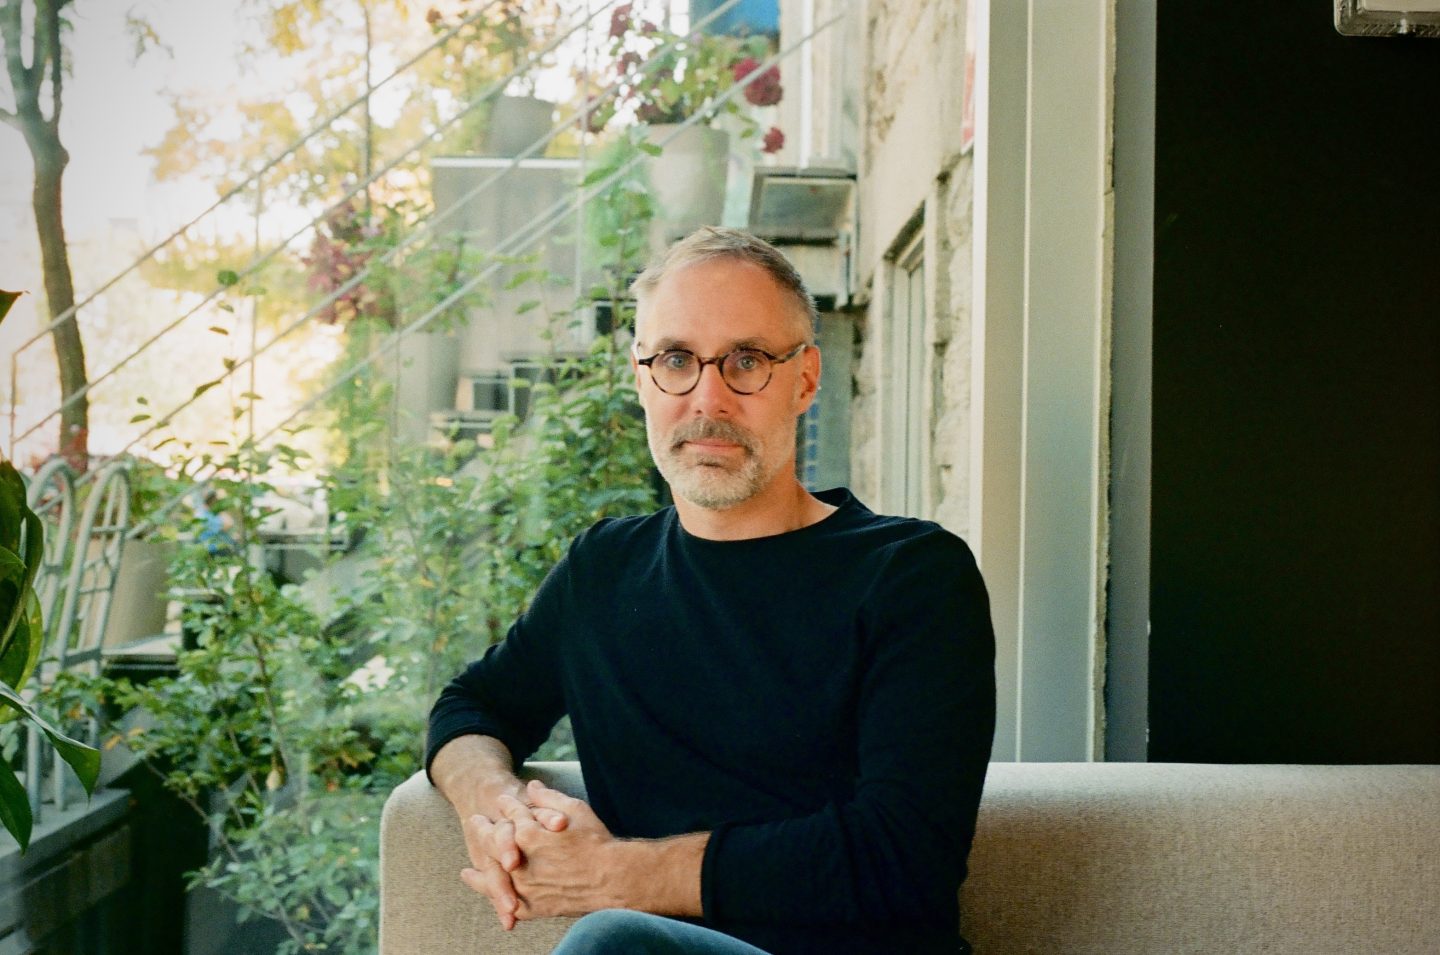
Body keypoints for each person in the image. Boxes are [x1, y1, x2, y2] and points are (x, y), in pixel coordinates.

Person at [426, 227, 996, 954]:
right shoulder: (603, 570)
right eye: (675, 360)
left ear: (806, 379)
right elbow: (471, 705)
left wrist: (614, 876)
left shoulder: (912, 574)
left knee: (611, 943)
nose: (708, 398)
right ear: (641, 379)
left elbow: (904, 856)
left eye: (746, 361)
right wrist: (496, 805)